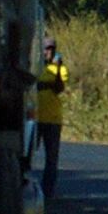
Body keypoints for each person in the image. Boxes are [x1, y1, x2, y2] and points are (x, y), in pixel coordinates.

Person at [35, 36, 70, 199]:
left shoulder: (59, 69)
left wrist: (57, 67)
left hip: (53, 118)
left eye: (51, 49)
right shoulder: (35, 67)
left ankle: (48, 191)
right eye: (46, 49)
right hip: (35, 117)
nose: (48, 52)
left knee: (51, 158)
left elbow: (60, 87)